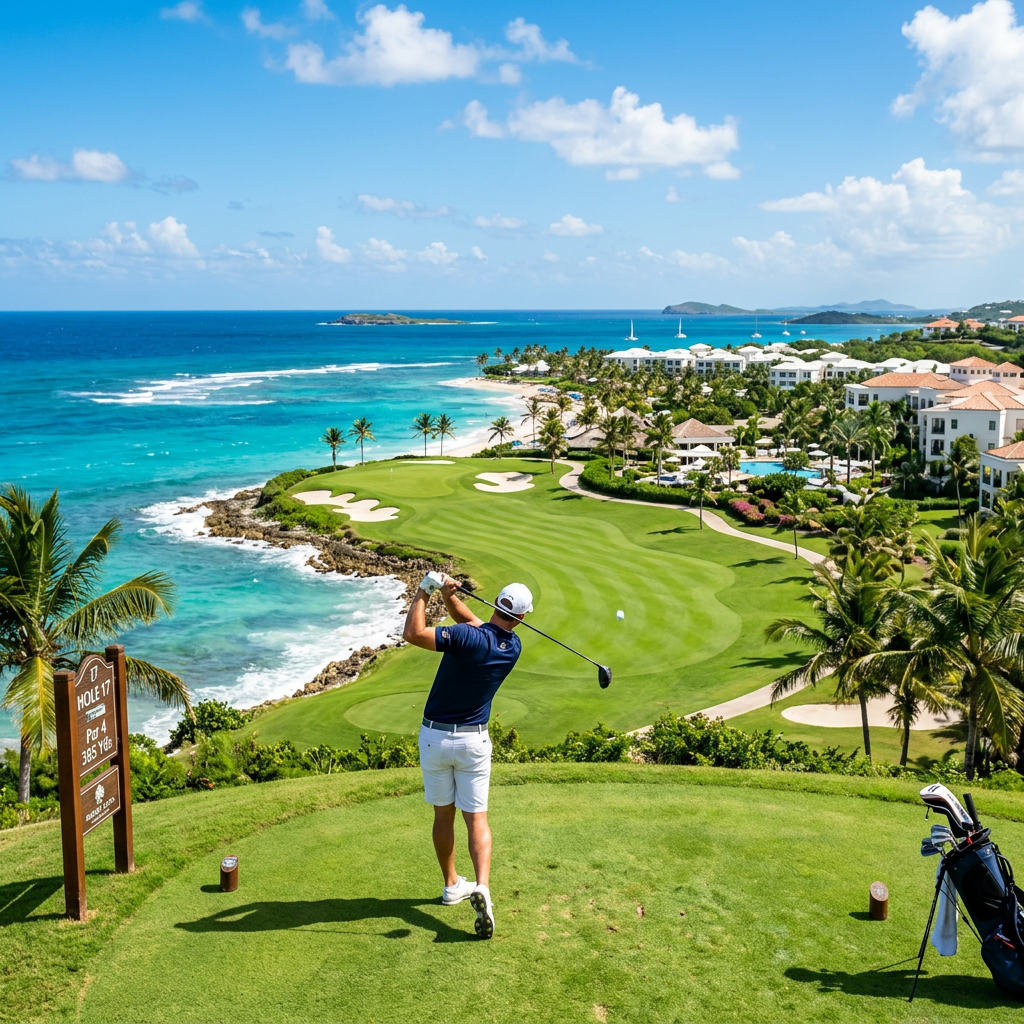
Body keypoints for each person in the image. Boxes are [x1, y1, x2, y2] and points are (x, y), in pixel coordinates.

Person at [402, 571, 533, 940]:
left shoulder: (465, 637)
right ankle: (482, 887)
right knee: (476, 819)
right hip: (474, 743)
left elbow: (413, 633)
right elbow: (477, 624)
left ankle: (451, 885)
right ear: (522, 617)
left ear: (497, 603)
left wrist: (425, 590)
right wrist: (449, 596)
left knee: (443, 814)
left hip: (435, 738)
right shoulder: (512, 646)